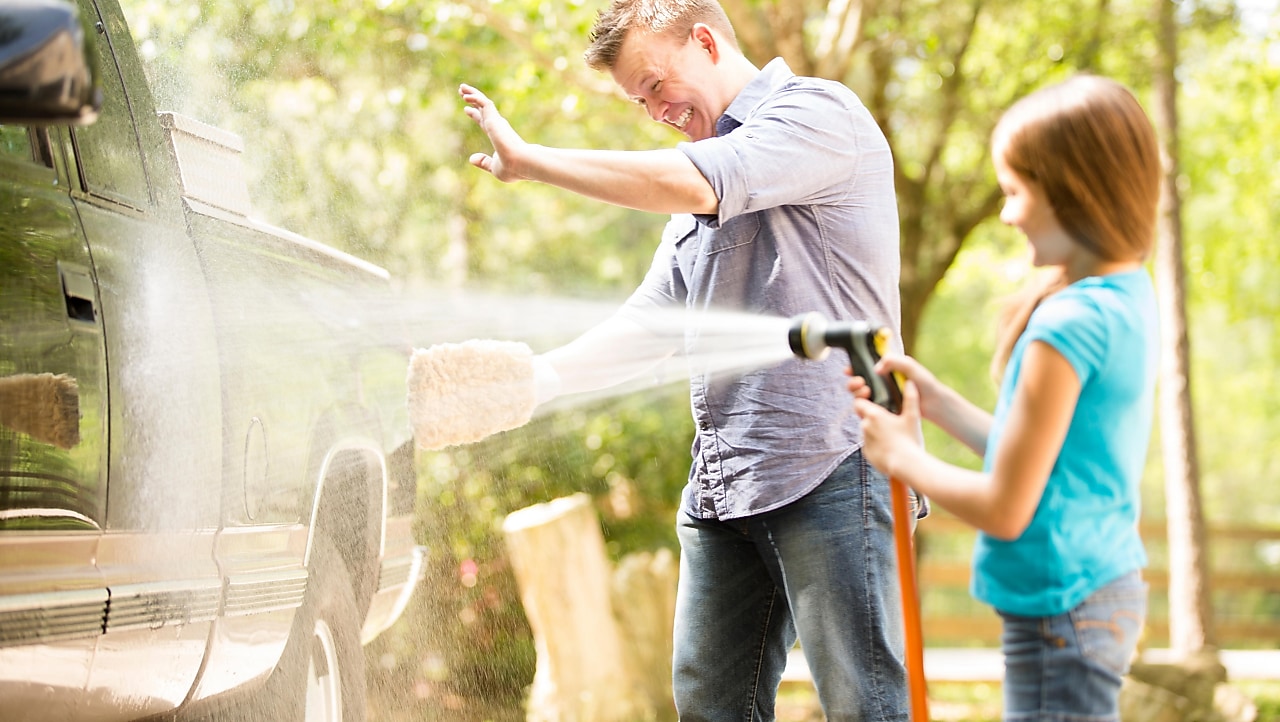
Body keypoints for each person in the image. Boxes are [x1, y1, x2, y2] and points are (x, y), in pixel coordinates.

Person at [460, 0, 918, 720]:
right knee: (708, 704)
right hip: (725, 484)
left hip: (832, 464)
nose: (654, 111)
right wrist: (535, 381)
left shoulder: (819, 115)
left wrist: (534, 163)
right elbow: (653, 321)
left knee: (866, 706)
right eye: (639, 101)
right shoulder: (692, 197)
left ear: (704, 41)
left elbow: (701, 180)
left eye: (653, 85)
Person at [849, 74, 1161, 721]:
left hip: (1059, 607)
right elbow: (1045, 458)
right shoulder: (1126, 297)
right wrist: (937, 404)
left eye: (1017, 191)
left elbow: (1006, 507)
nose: (1007, 213)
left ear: (1074, 191)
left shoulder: (1066, 326)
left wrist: (903, 458)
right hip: (1099, 587)